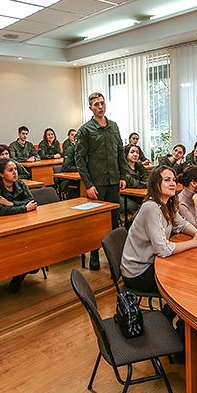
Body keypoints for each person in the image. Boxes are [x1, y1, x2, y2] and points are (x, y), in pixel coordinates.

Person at [120, 165, 197, 297]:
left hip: (152, 261)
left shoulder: (167, 203)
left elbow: (181, 224)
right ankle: (170, 310)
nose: (173, 183)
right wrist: (195, 242)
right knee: (188, 279)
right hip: (138, 272)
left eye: (174, 180)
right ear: (156, 184)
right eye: (167, 180)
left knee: (190, 268)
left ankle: (173, 309)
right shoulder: (151, 207)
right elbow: (162, 249)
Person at [75, 92, 126, 270]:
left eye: (102, 103)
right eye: (96, 104)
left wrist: (122, 176)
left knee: (114, 220)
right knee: (96, 222)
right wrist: (88, 185)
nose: (100, 107)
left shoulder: (113, 126)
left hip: (113, 181)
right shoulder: (85, 130)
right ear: (91, 108)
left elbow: (120, 152)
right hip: (97, 183)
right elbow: (80, 159)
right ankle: (95, 255)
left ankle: (116, 257)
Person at [0, 157, 40, 292]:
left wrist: (11, 204)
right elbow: (0, 210)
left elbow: (31, 201)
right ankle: (17, 276)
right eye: (10, 170)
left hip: (21, 223)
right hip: (0, 227)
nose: (15, 172)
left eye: (15, 169)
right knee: (18, 254)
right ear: (1, 174)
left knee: (32, 253)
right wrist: (23, 208)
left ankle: (21, 273)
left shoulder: (19, 182)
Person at [121, 143, 149, 217]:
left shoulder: (139, 164)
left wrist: (144, 183)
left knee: (150, 202)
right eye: (132, 152)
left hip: (138, 194)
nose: (135, 155)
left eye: (137, 152)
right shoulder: (122, 167)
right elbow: (132, 183)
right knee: (135, 207)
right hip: (125, 195)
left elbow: (148, 178)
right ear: (126, 154)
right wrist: (145, 184)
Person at [59, 129, 79, 198]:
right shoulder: (70, 151)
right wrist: (81, 169)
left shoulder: (83, 150)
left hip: (78, 177)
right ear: (74, 141)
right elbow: (67, 167)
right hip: (67, 179)